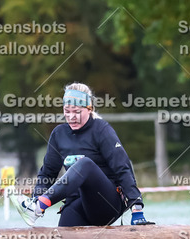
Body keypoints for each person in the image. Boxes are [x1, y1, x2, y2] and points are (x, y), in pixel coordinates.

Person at [12, 82, 152, 227]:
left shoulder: (102, 130)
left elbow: (123, 168)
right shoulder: (59, 134)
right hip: (78, 203)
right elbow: (47, 173)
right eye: (67, 111)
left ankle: (39, 205)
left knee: (85, 164)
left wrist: (137, 209)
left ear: (89, 109)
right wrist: (35, 198)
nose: (71, 116)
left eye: (77, 112)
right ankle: (35, 207)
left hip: (107, 204)